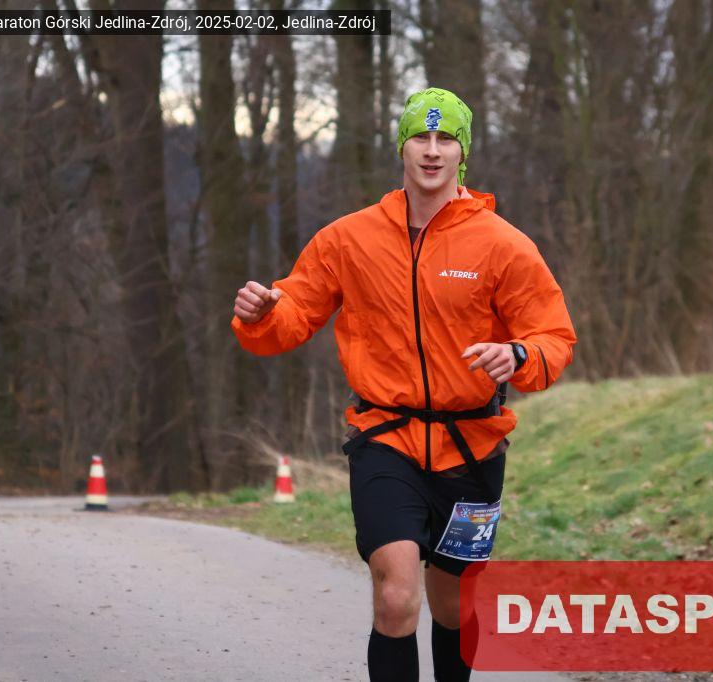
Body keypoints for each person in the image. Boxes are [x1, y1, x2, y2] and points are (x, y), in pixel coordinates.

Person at [231, 87, 576, 681]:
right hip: (385, 439)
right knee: (396, 597)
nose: (432, 150)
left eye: (446, 139)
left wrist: (519, 353)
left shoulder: (502, 244)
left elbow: (554, 337)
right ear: (402, 147)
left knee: (453, 604)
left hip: (471, 448)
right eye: (421, 137)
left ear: (463, 152)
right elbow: (295, 311)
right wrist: (261, 315)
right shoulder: (350, 238)